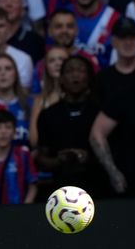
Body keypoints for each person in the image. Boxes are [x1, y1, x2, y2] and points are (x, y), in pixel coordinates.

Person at [90, 17, 135, 197]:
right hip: (120, 161)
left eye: (132, 37)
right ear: (113, 41)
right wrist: (112, 171)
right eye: (122, 37)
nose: (127, 42)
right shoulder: (103, 78)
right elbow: (97, 130)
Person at [36, 54, 106, 196]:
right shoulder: (48, 115)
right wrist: (59, 160)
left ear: (89, 77)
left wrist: (88, 158)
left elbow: (114, 155)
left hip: (99, 187)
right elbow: (41, 159)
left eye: (80, 71)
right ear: (61, 79)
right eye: (69, 71)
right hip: (60, 190)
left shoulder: (102, 112)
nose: (75, 75)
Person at [29, 46, 66, 148]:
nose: (58, 63)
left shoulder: (82, 96)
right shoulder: (39, 100)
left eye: (62, 59)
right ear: (46, 68)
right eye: (52, 60)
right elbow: (34, 140)